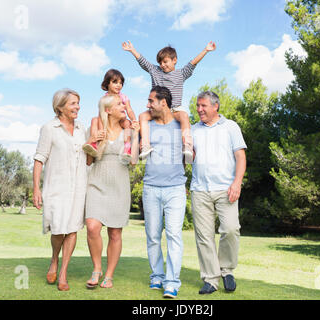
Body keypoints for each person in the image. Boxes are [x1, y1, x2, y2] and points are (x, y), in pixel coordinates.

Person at [190, 91, 247, 295]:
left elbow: (240, 156)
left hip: (226, 189)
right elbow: (189, 158)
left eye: (203, 106)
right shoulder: (193, 129)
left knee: (231, 229)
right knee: (204, 236)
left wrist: (237, 183)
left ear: (216, 107)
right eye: (198, 105)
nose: (199, 109)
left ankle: (227, 270)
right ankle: (210, 279)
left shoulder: (231, 126)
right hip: (199, 190)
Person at [122, 40, 216, 162]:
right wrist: (132, 50)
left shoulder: (181, 74)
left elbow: (193, 62)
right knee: (142, 116)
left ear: (174, 60)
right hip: (157, 109)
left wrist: (206, 50)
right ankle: (145, 145)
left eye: (165, 61)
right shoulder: (155, 71)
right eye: (160, 62)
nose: (162, 65)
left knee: (184, 116)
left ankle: (187, 145)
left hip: (175, 109)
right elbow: (143, 62)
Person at [33, 88, 88, 291]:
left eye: (78, 103)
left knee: (72, 229)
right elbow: (39, 159)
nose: (77, 107)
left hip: (79, 187)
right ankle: (54, 259)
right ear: (60, 107)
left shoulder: (83, 128)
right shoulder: (49, 128)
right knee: (58, 230)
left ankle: (63, 272)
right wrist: (36, 189)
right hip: (56, 188)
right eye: (73, 103)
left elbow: (90, 153)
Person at [85, 93, 140, 289]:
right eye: (119, 104)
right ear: (108, 109)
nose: (123, 106)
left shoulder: (127, 129)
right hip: (97, 182)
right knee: (92, 227)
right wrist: (92, 141)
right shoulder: (97, 128)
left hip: (119, 184)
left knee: (115, 233)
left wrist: (135, 136)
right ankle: (97, 268)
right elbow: (89, 161)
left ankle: (109, 275)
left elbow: (133, 161)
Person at [141, 86, 187, 299]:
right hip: (151, 187)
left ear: (164, 103)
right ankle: (157, 276)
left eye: (151, 101)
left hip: (176, 188)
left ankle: (171, 283)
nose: (148, 104)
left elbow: (191, 152)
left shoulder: (181, 124)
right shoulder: (147, 125)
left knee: (173, 235)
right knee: (152, 235)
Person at [83, 69, 137, 162]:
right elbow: (101, 115)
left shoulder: (123, 97)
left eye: (121, 83)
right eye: (115, 82)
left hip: (121, 120)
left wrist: (134, 120)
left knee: (127, 123)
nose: (119, 85)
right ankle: (94, 144)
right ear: (107, 83)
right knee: (94, 120)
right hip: (107, 120)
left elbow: (129, 109)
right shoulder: (104, 98)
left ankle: (127, 146)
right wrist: (102, 130)